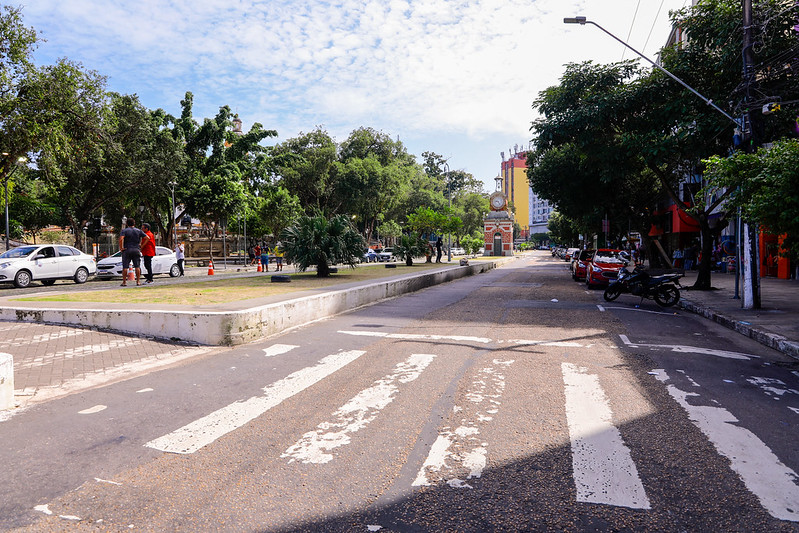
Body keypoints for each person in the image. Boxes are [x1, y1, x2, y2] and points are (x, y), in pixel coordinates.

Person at [118, 218, 149, 287]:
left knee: (125, 266)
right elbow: (147, 238)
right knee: (137, 266)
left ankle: (124, 282)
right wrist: (141, 245)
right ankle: (138, 281)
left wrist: (121, 248)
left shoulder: (125, 231)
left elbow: (121, 239)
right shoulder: (138, 231)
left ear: (127, 224)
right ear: (134, 224)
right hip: (136, 249)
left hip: (127, 249)